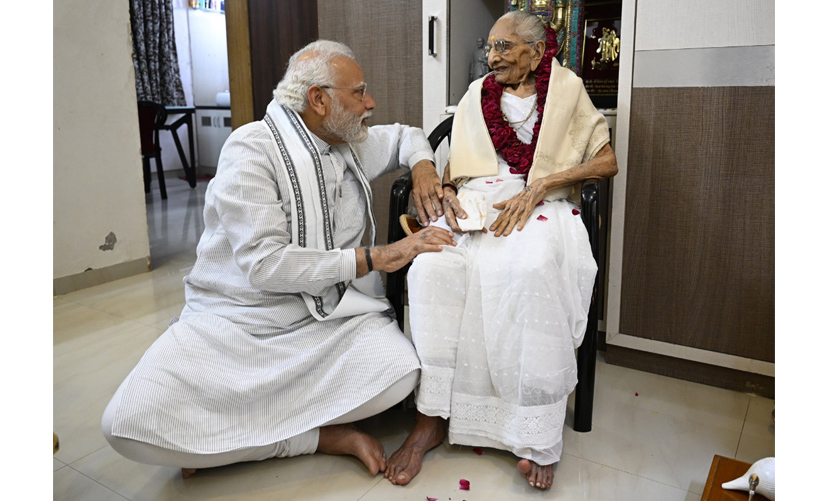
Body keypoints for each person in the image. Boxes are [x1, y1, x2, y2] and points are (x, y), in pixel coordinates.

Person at [101, 40, 454, 479]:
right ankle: (319, 436)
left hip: (326, 321)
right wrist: (376, 257)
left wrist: (423, 167)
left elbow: (406, 136)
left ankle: (225, 440)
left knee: (402, 373)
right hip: (238, 323)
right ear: (319, 100)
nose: (371, 103)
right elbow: (267, 266)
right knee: (125, 423)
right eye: (359, 92)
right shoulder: (250, 151)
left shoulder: (349, 142)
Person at [384, 11, 618, 491]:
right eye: (488, 47)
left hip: (542, 203)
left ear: (535, 52)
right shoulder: (476, 95)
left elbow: (606, 160)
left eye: (504, 47)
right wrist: (447, 190)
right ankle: (432, 416)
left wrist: (541, 186)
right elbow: (455, 168)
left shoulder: (569, 88)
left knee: (529, 268)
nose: (491, 57)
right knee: (431, 268)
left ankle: (535, 432)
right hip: (478, 201)